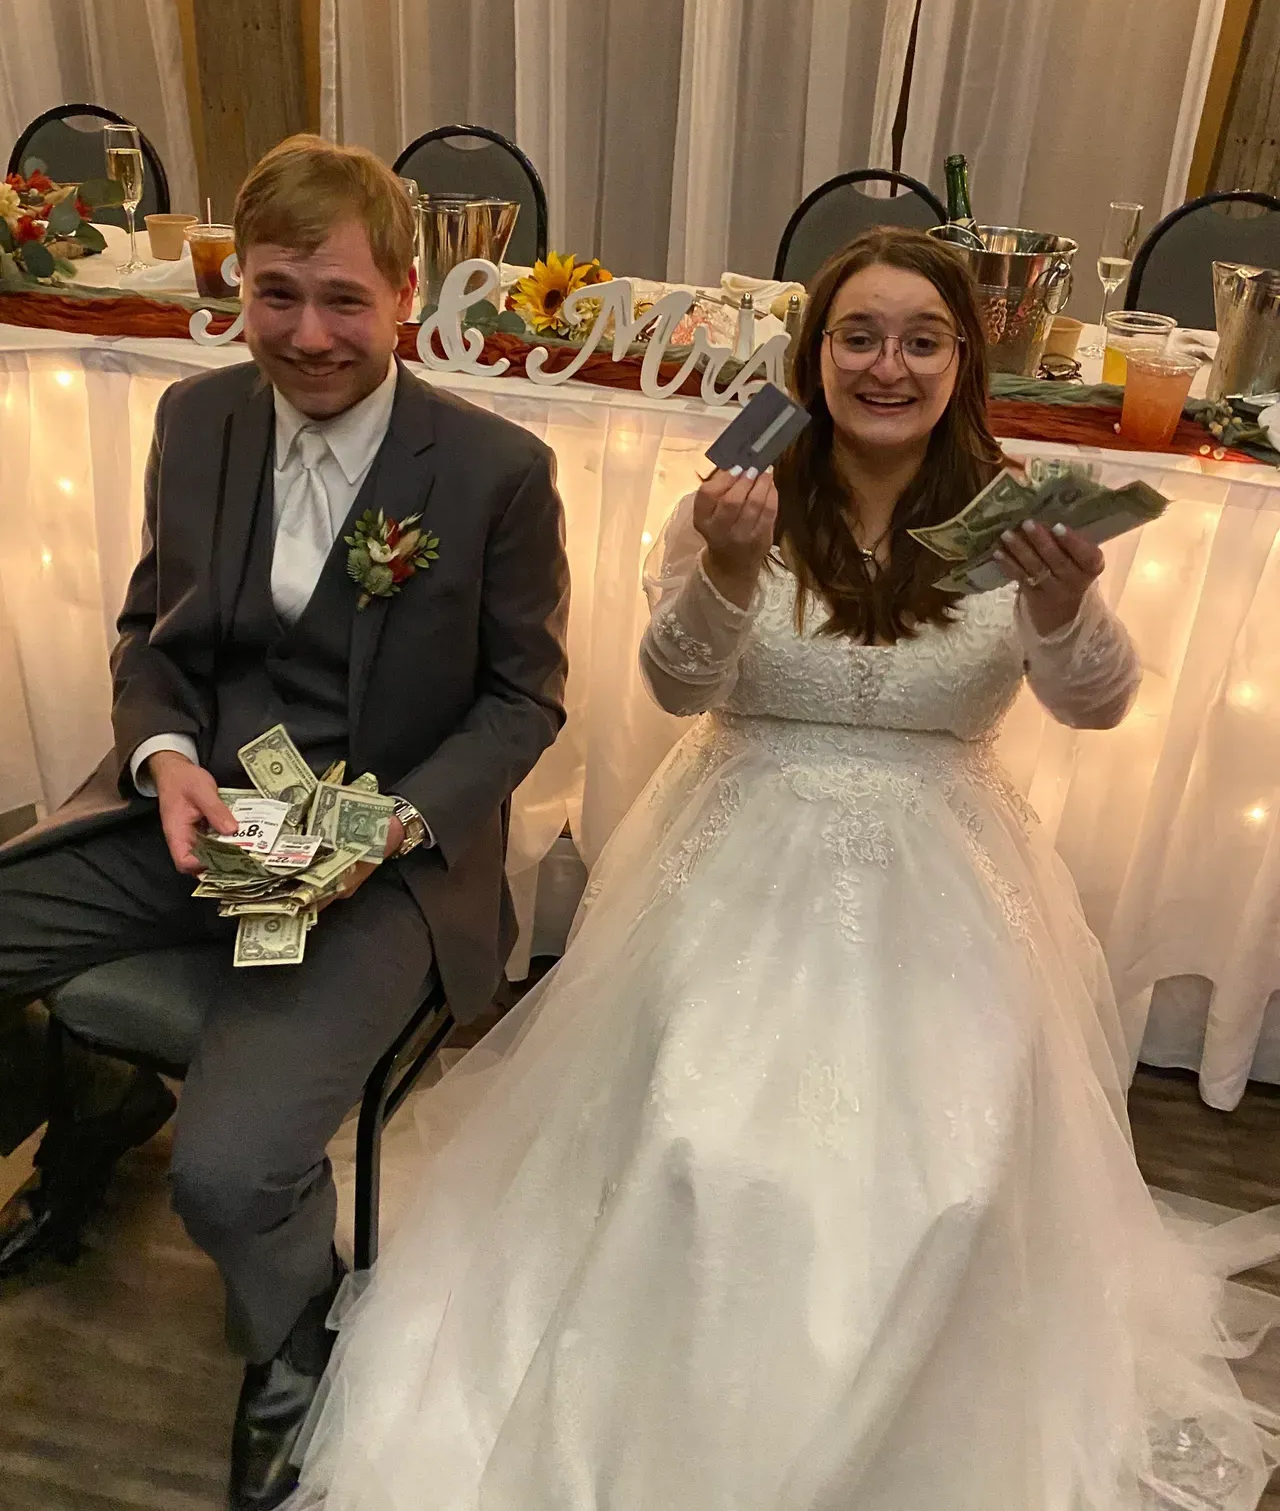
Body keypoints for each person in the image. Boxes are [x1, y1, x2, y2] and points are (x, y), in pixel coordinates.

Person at [284, 229, 1274, 1510]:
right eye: (858, 335)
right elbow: (672, 683)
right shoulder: (742, 489)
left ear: (960, 363)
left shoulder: (1019, 512)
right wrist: (731, 569)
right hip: (736, 848)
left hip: (947, 875)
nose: (887, 364)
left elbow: (1092, 705)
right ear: (813, 357)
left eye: (921, 339)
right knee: (700, 1138)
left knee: (957, 1173)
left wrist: (1057, 611)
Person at [0, 135, 570, 1510]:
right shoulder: (196, 423)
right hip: (195, 814)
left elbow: (523, 702)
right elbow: (153, 628)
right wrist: (162, 754)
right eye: (276, 295)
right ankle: (84, 1100)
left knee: (237, 1169)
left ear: (405, 296)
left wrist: (384, 828)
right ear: (236, 291)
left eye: (342, 299)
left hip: (377, 868)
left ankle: (295, 1335)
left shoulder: (497, 470)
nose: (309, 336)